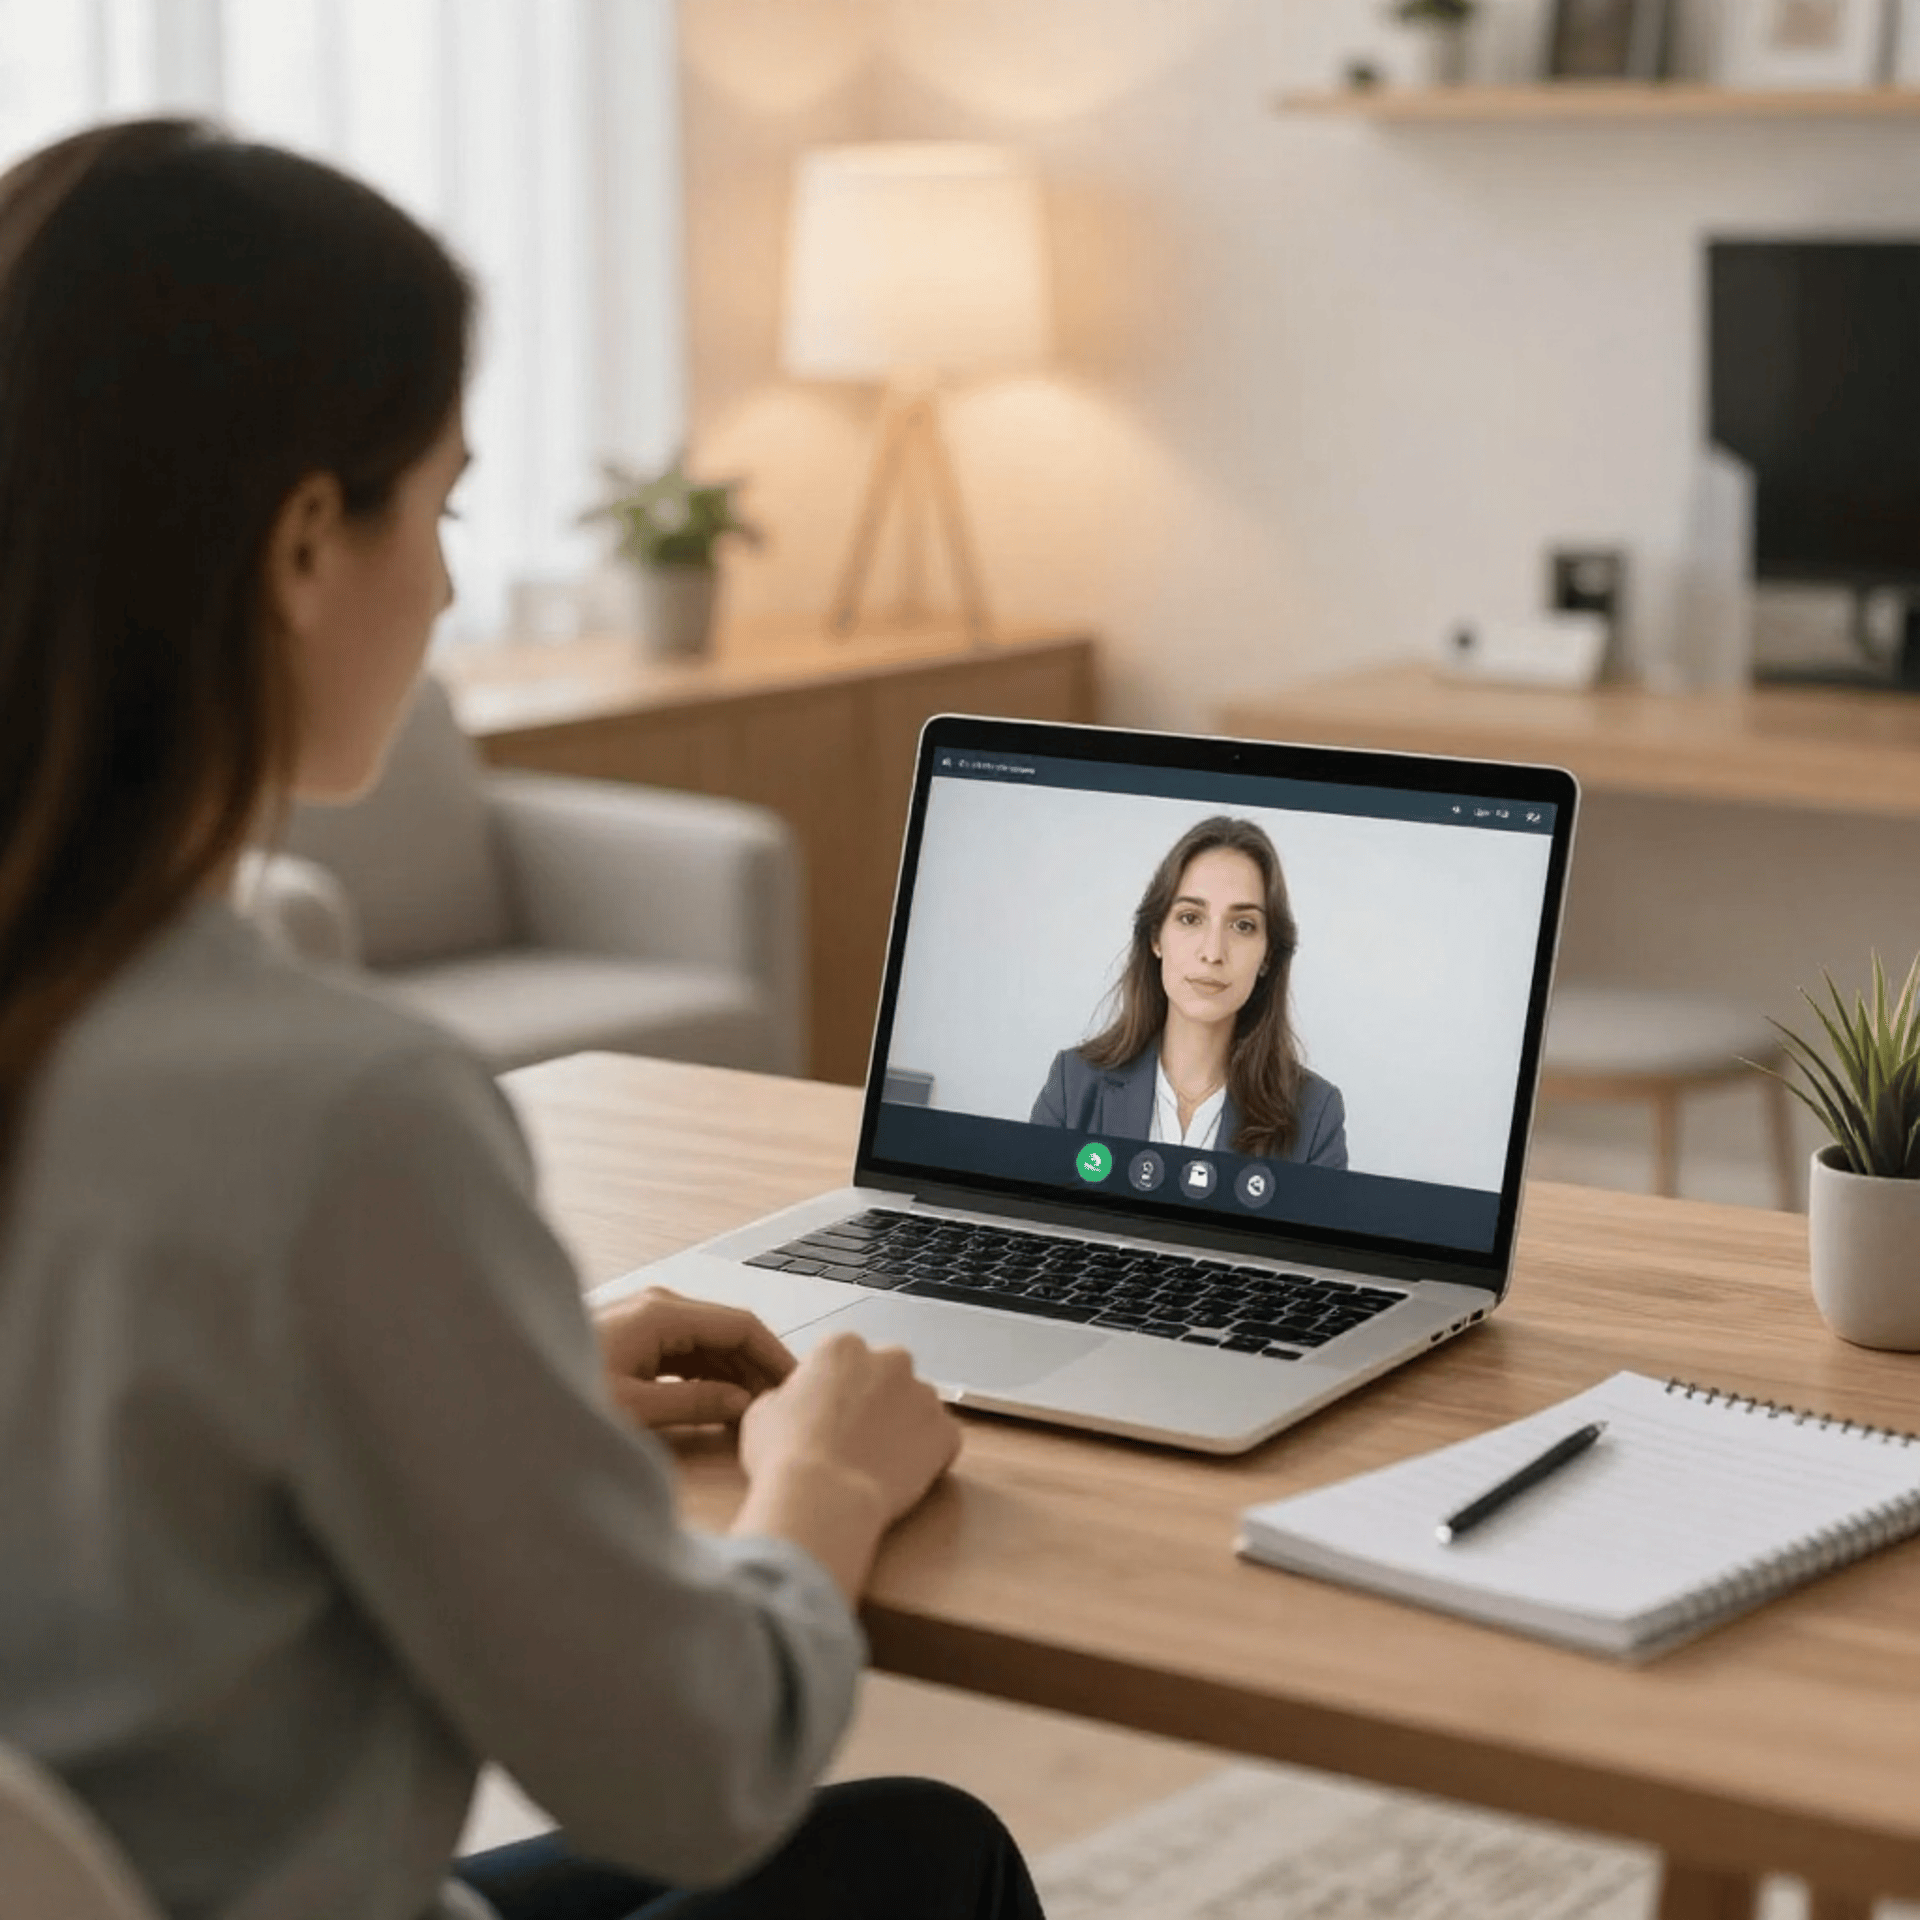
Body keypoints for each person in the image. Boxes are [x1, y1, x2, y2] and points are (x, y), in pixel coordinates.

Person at [0, 118, 1046, 1920]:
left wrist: (504, 1383)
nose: (454, 587)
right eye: (447, 504)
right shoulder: (335, 1110)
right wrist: (821, 1490)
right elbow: (692, 1772)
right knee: (926, 1856)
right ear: (305, 542)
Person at [1030, 816, 1348, 1167]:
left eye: (1242, 925)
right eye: (1190, 918)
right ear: (1155, 937)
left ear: (1267, 955)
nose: (1212, 952)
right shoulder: (1073, 1084)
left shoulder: (1316, 1115)